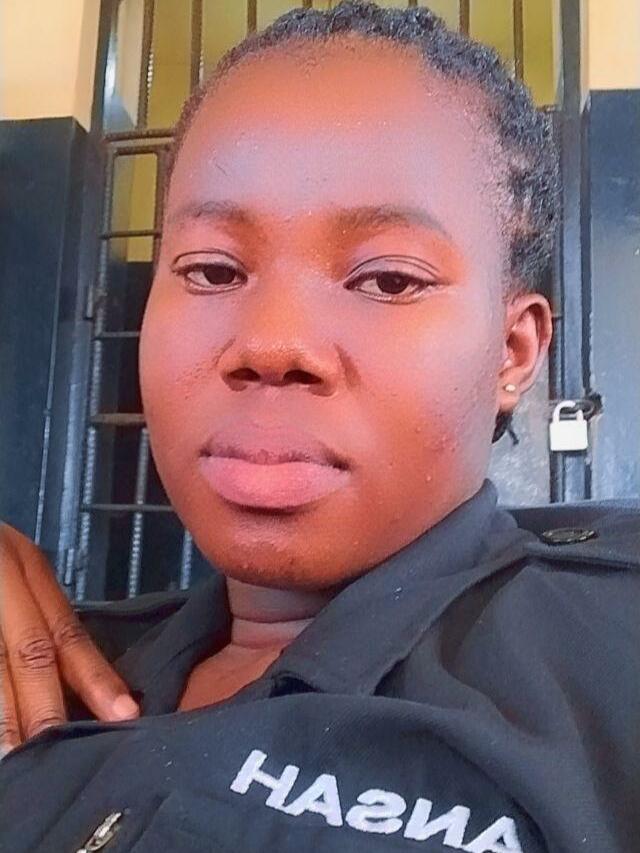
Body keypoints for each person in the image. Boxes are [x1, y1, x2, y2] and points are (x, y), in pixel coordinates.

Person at [1, 3, 639, 851]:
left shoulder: (611, 655)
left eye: (388, 280)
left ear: (512, 352)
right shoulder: (49, 658)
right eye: (212, 269)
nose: (270, 346)